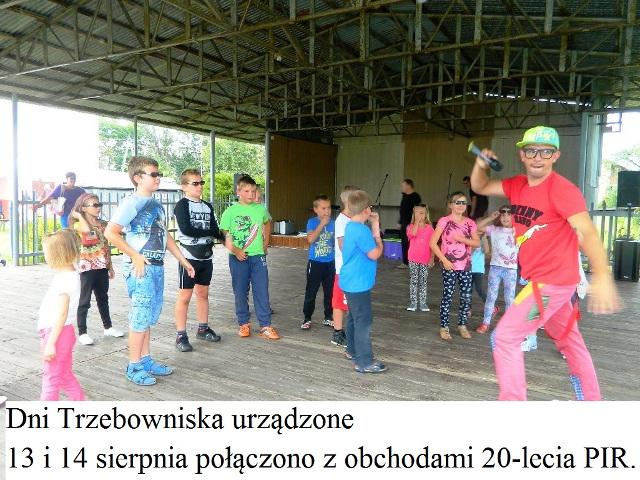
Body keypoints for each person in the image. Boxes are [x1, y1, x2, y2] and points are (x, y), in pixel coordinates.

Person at [470, 125, 621, 400]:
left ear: (556, 156)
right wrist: (481, 165)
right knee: (569, 342)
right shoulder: (516, 185)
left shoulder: (563, 190)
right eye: (531, 151)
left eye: (545, 152)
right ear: (522, 155)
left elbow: (587, 232)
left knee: (505, 337)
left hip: (551, 283)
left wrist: (602, 274)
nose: (538, 157)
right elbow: (479, 186)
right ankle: (592, 401)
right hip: (547, 283)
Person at [105, 157, 195, 386]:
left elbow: (165, 236)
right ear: (138, 178)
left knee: (148, 317)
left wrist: (183, 260)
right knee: (140, 317)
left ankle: (145, 360)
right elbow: (110, 232)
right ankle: (133, 365)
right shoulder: (132, 202)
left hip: (156, 266)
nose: (158, 177)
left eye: (158, 174)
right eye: (153, 174)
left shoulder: (156, 204)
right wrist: (135, 255)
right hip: (140, 269)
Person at [220, 175, 279, 340]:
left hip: (258, 257)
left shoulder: (260, 209)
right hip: (237, 258)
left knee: (261, 290)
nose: (251, 194)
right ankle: (243, 323)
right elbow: (223, 234)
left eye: (253, 191)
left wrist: (266, 243)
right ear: (238, 191)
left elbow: (267, 222)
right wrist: (235, 250)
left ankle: (265, 325)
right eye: (247, 191)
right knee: (240, 291)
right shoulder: (230, 212)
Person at [173, 169, 222, 353]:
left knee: (203, 294)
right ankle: (181, 335)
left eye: (201, 183)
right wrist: (210, 232)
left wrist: (223, 237)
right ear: (184, 187)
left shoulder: (207, 206)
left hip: (206, 256)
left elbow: (215, 228)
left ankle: (203, 328)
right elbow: (187, 229)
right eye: (195, 183)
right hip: (189, 256)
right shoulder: (182, 205)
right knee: (185, 296)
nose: (199, 186)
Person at [340, 190, 386, 373]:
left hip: (350, 280)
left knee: (354, 318)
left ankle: (352, 351)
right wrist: (379, 240)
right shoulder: (362, 230)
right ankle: (364, 362)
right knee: (363, 321)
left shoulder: (350, 226)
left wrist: (374, 224)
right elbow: (374, 254)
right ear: (367, 209)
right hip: (358, 283)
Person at [69, 193, 124, 346]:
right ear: (83, 208)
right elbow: (87, 231)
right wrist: (78, 216)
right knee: (84, 301)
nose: (98, 208)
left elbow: (106, 246)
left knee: (103, 298)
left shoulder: (102, 225)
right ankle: (83, 333)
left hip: (101, 266)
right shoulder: (79, 225)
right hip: (87, 268)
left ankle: (108, 327)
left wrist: (110, 266)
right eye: (94, 205)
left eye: (99, 204)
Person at [38, 230, 85, 400]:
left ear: (57, 254)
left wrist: (51, 343)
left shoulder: (64, 280)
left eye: (46, 252)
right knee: (64, 375)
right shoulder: (71, 273)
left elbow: (62, 314)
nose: (45, 256)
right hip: (64, 332)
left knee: (50, 379)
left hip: (56, 334)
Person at [429, 192, 480, 341]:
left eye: (464, 203)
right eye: (458, 202)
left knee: (466, 297)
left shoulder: (470, 223)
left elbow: (477, 243)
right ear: (451, 205)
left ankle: (462, 325)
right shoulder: (444, 221)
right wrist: (444, 260)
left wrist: (462, 239)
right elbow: (433, 243)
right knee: (448, 296)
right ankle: (444, 327)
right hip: (449, 264)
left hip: (465, 265)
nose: (461, 205)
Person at [474, 207, 518, 334]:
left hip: (511, 269)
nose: (505, 217)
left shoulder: (517, 230)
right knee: (491, 296)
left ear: (513, 217)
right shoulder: (494, 229)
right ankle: (485, 323)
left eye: (509, 214)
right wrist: (490, 218)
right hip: (495, 267)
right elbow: (477, 227)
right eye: (503, 214)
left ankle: (508, 326)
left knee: (509, 298)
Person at [301, 195, 335, 329]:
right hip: (315, 262)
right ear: (316, 209)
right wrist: (322, 224)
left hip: (330, 262)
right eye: (323, 208)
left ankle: (328, 317)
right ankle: (307, 318)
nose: (327, 211)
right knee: (311, 291)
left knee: (330, 292)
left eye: (329, 208)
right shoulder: (312, 222)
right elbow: (310, 240)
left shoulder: (334, 223)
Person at [331, 185, 358, 348]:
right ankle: (337, 333)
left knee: (350, 303)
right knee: (340, 303)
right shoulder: (342, 221)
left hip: (352, 270)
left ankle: (348, 331)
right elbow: (343, 246)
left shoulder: (352, 220)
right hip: (344, 271)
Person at [405, 204, 435, 312]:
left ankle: (423, 302)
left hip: (425, 258)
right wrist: (416, 222)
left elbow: (433, 245)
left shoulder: (430, 228)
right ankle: (413, 302)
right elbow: (412, 234)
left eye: (421, 213)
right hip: (413, 257)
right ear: (413, 214)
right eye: (416, 213)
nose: (419, 215)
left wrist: (432, 258)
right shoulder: (410, 227)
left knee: (423, 280)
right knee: (414, 280)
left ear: (426, 214)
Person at [398, 179, 422, 268]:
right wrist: (400, 222)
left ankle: (414, 261)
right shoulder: (404, 196)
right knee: (404, 242)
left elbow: (417, 211)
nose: (402, 187)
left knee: (412, 242)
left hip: (412, 223)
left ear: (409, 185)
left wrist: (416, 223)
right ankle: (405, 262)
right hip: (404, 222)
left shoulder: (415, 197)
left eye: (403, 185)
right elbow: (402, 210)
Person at [469, 230, 489, 317]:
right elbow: (468, 252)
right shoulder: (468, 239)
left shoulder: (483, 240)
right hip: (468, 268)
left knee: (479, 289)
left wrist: (484, 238)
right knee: (468, 290)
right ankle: (468, 308)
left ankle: (490, 307)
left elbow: (487, 251)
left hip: (478, 269)